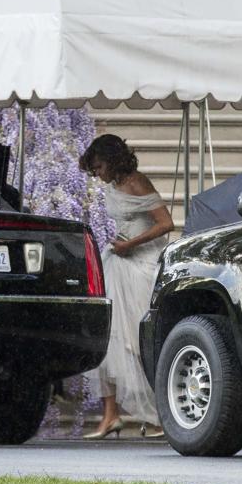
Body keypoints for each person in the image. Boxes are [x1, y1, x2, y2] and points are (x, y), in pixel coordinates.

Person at [80, 134, 174, 439]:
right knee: (108, 336)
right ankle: (110, 415)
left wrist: (131, 243)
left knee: (134, 340)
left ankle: (158, 413)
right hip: (118, 260)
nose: (99, 174)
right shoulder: (112, 186)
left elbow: (165, 223)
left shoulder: (137, 182)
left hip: (141, 262)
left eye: (100, 166)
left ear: (114, 159)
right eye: (94, 170)